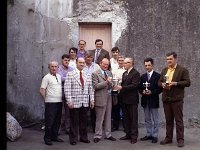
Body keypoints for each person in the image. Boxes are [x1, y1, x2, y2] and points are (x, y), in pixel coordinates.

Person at [158, 52, 191, 147]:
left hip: (177, 99)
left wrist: (175, 83)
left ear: (175, 59)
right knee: (168, 120)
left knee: (178, 120)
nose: (168, 61)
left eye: (170, 59)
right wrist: (162, 84)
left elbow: (188, 82)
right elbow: (159, 82)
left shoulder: (183, 70)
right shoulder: (164, 70)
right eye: (167, 59)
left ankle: (180, 140)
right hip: (166, 99)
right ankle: (168, 138)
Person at [64, 57, 95, 145]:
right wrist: (69, 101)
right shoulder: (70, 74)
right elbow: (67, 89)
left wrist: (92, 100)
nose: (82, 64)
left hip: (85, 102)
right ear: (76, 63)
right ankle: (73, 139)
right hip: (74, 102)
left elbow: (91, 89)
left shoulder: (87, 75)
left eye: (83, 63)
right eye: (80, 62)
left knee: (84, 121)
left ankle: (83, 137)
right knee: (74, 121)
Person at [114, 57, 140, 144]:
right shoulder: (125, 73)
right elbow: (123, 84)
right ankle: (128, 134)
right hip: (124, 99)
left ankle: (134, 136)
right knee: (126, 118)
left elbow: (134, 85)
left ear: (131, 63)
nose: (124, 64)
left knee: (133, 119)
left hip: (132, 100)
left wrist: (122, 87)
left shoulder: (135, 73)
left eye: (126, 63)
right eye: (124, 63)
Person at [92, 58, 116, 143]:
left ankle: (108, 134)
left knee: (108, 117)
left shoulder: (109, 73)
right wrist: (106, 82)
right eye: (104, 64)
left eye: (107, 64)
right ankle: (97, 135)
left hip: (109, 97)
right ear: (100, 63)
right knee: (99, 118)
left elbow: (110, 86)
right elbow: (95, 86)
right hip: (100, 97)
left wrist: (112, 85)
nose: (106, 66)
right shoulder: (95, 73)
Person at [40, 61, 64, 145]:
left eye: (55, 67)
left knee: (57, 121)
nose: (54, 68)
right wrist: (46, 100)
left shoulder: (59, 76)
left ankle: (54, 136)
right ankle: (47, 138)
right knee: (49, 122)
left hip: (59, 102)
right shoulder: (46, 77)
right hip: (50, 103)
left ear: (58, 68)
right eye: (52, 66)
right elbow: (42, 90)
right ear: (49, 67)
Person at [139, 58, 162, 143]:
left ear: (152, 65)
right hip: (145, 101)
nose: (147, 67)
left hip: (154, 100)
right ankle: (149, 134)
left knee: (155, 119)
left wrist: (152, 92)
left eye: (149, 65)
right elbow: (140, 88)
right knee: (147, 119)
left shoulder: (158, 76)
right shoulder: (143, 76)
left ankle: (155, 135)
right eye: (146, 65)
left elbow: (160, 89)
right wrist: (143, 91)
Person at [83, 51, 100, 133]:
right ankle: (84, 129)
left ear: (93, 58)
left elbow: (100, 77)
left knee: (94, 112)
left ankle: (94, 129)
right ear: (85, 57)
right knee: (85, 111)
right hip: (84, 92)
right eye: (87, 57)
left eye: (91, 57)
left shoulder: (96, 66)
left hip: (95, 91)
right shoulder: (82, 65)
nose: (89, 58)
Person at [57, 54, 74, 134]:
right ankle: (57, 129)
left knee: (68, 112)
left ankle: (68, 129)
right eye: (65, 60)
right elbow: (60, 79)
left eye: (68, 60)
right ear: (62, 60)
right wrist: (70, 78)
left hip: (69, 92)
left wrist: (66, 78)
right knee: (58, 111)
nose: (66, 62)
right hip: (59, 92)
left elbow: (74, 78)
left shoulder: (71, 68)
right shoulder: (58, 68)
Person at [111, 55, 126, 131]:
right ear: (117, 61)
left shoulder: (126, 70)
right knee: (115, 109)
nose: (120, 62)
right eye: (119, 60)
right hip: (115, 92)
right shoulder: (114, 70)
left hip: (123, 91)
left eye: (122, 60)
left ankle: (125, 126)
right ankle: (115, 126)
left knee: (124, 109)